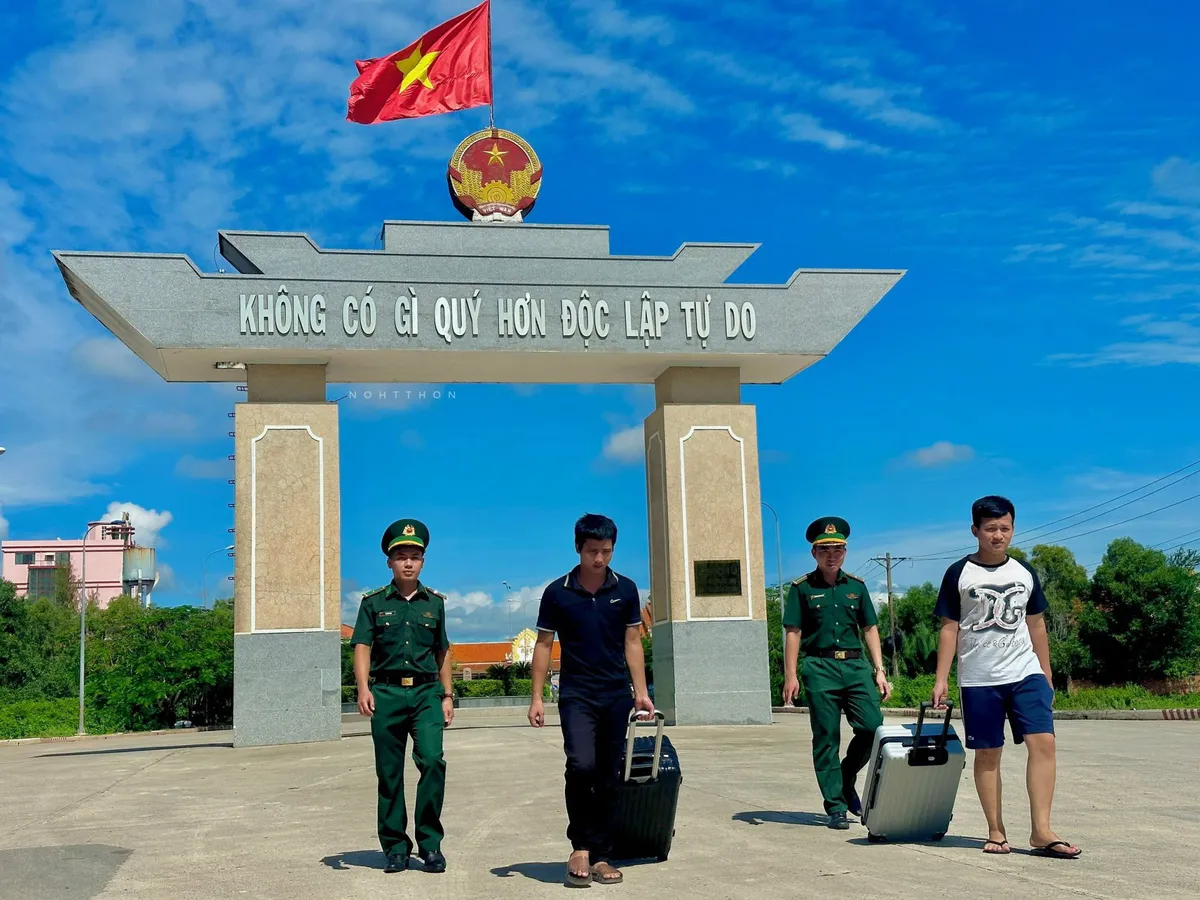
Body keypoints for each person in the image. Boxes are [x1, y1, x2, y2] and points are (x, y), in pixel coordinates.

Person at [932, 495, 1081, 859]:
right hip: (979, 677)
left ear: (1013, 529)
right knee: (988, 753)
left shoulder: (1024, 572)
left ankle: (1042, 831)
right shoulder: (958, 573)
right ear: (975, 531)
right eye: (990, 529)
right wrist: (941, 679)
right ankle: (996, 831)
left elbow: (1037, 624)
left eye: (1005, 528)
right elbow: (949, 629)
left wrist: (1045, 673)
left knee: (1044, 742)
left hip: (1024, 671)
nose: (998, 536)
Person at [528, 513, 654, 887]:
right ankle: (579, 845)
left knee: (609, 774)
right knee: (582, 765)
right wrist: (536, 697)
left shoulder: (626, 589)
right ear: (578, 548)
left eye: (606, 551)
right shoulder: (557, 592)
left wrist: (642, 693)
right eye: (593, 552)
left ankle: (601, 855)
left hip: (616, 694)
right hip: (577, 694)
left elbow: (633, 642)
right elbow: (544, 645)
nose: (599, 559)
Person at [350, 518, 455, 874]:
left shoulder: (435, 604)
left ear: (423, 561)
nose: (408, 562)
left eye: (415, 556)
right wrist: (363, 688)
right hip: (386, 693)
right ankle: (395, 847)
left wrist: (447, 695)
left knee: (433, 761)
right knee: (389, 772)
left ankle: (430, 844)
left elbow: (443, 652)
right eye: (401, 556)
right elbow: (362, 645)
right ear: (390, 562)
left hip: (426, 692)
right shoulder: (373, 603)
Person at [782, 516, 892, 829]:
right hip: (819, 666)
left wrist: (879, 670)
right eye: (825, 549)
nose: (833, 555)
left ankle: (846, 777)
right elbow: (793, 632)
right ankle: (835, 806)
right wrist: (791, 675)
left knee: (873, 728)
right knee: (826, 737)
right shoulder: (801, 589)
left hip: (856, 666)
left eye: (838, 549)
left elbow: (869, 627)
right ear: (814, 553)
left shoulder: (856, 587)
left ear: (845, 552)